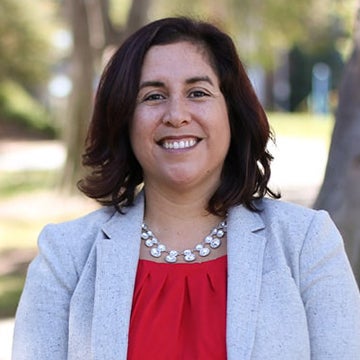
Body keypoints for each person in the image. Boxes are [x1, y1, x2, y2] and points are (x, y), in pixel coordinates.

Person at [12, 17, 360, 360]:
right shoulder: (65, 256)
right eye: (153, 96)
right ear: (124, 118)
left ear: (231, 113)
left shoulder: (306, 243)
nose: (176, 115)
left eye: (198, 92)